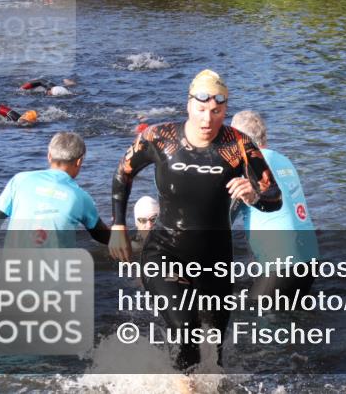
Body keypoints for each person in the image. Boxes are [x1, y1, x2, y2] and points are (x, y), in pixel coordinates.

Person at [109, 69, 281, 371]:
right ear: (188, 105)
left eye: (216, 111)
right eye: (201, 110)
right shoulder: (159, 137)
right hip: (164, 252)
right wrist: (118, 226)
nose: (207, 119)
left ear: (225, 110)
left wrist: (254, 194)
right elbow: (123, 173)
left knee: (213, 356)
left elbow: (274, 198)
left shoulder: (238, 145)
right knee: (185, 334)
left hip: (215, 260)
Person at [230, 110, 318, 297]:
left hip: (282, 262)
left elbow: (224, 218)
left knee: (257, 317)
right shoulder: (284, 160)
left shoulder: (248, 165)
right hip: (310, 258)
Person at [0, 132, 110, 248]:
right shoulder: (80, 197)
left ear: (49, 156)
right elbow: (101, 235)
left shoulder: (19, 180)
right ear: (79, 162)